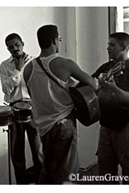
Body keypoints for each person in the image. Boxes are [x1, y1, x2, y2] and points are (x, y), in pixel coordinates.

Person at [23, 25, 97, 184]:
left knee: (49, 171)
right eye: (59, 39)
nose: (59, 42)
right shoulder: (65, 64)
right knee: (67, 174)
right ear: (53, 41)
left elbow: (34, 97)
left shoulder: (28, 69)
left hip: (43, 128)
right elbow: (93, 84)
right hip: (64, 125)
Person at [91, 32, 129, 184]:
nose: (107, 48)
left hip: (125, 127)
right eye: (108, 44)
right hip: (105, 127)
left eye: (112, 45)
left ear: (124, 47)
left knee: (128, 173)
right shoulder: (106, 67)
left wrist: (113, 88)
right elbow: (91, 84)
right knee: (105, 173)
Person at [0, 33, 43, 184]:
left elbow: (40, 86)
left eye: (17, 45)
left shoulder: (35, 62)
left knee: (38, 149)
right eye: (11, 47)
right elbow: (6, 89)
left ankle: (42, 184)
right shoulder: (5, 65)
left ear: (22, 43)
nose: (15, 48)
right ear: (7, 49)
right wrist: (17, 70)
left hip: (33, 108)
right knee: (17, 153)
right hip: (14, 110)